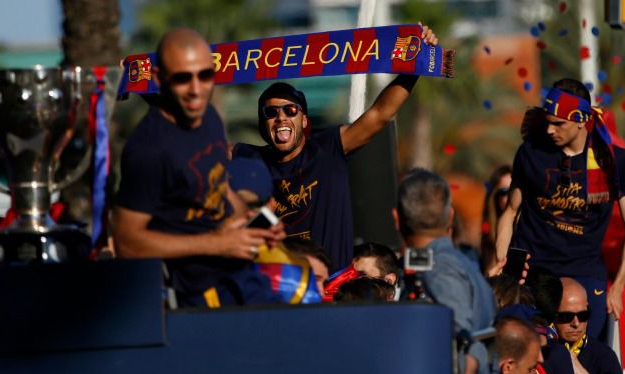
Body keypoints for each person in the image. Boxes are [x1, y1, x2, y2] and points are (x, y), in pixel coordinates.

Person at [232, 26, 438, 272]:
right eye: (271, 112)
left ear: (305, 120)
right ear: (262, 125)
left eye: (290, 110)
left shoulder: (328, 148)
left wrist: (416, 64)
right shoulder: (250, 159)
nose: (281, 117)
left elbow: (379, 115)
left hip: (332, 289)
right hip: (280, 288)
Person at [112, 28, 283, 307]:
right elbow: (127, 242)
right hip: (200, 295)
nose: (196, 89)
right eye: (182, 78)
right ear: (158, 78)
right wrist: (218, 244)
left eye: (205, 75)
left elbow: (219, 186)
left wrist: (254, 223)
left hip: (242, 275)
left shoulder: (209, 117)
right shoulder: (148, 148)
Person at [496, 78, 625, 340]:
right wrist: (502, 262)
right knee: (527, 352)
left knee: (586, 356)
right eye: (547, 122)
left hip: (584, 270)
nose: (550, 130)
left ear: (581, 120)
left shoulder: (613, 160)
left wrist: (617, 286)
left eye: (558, 124)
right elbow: (510, 213)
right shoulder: (530, 153)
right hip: (532, 270)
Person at [393, 168, 497, 374]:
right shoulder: (466, 265)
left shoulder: (438, 269)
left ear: (396, 219)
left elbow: (460, 330)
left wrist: (467, 364)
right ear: (450, 216)